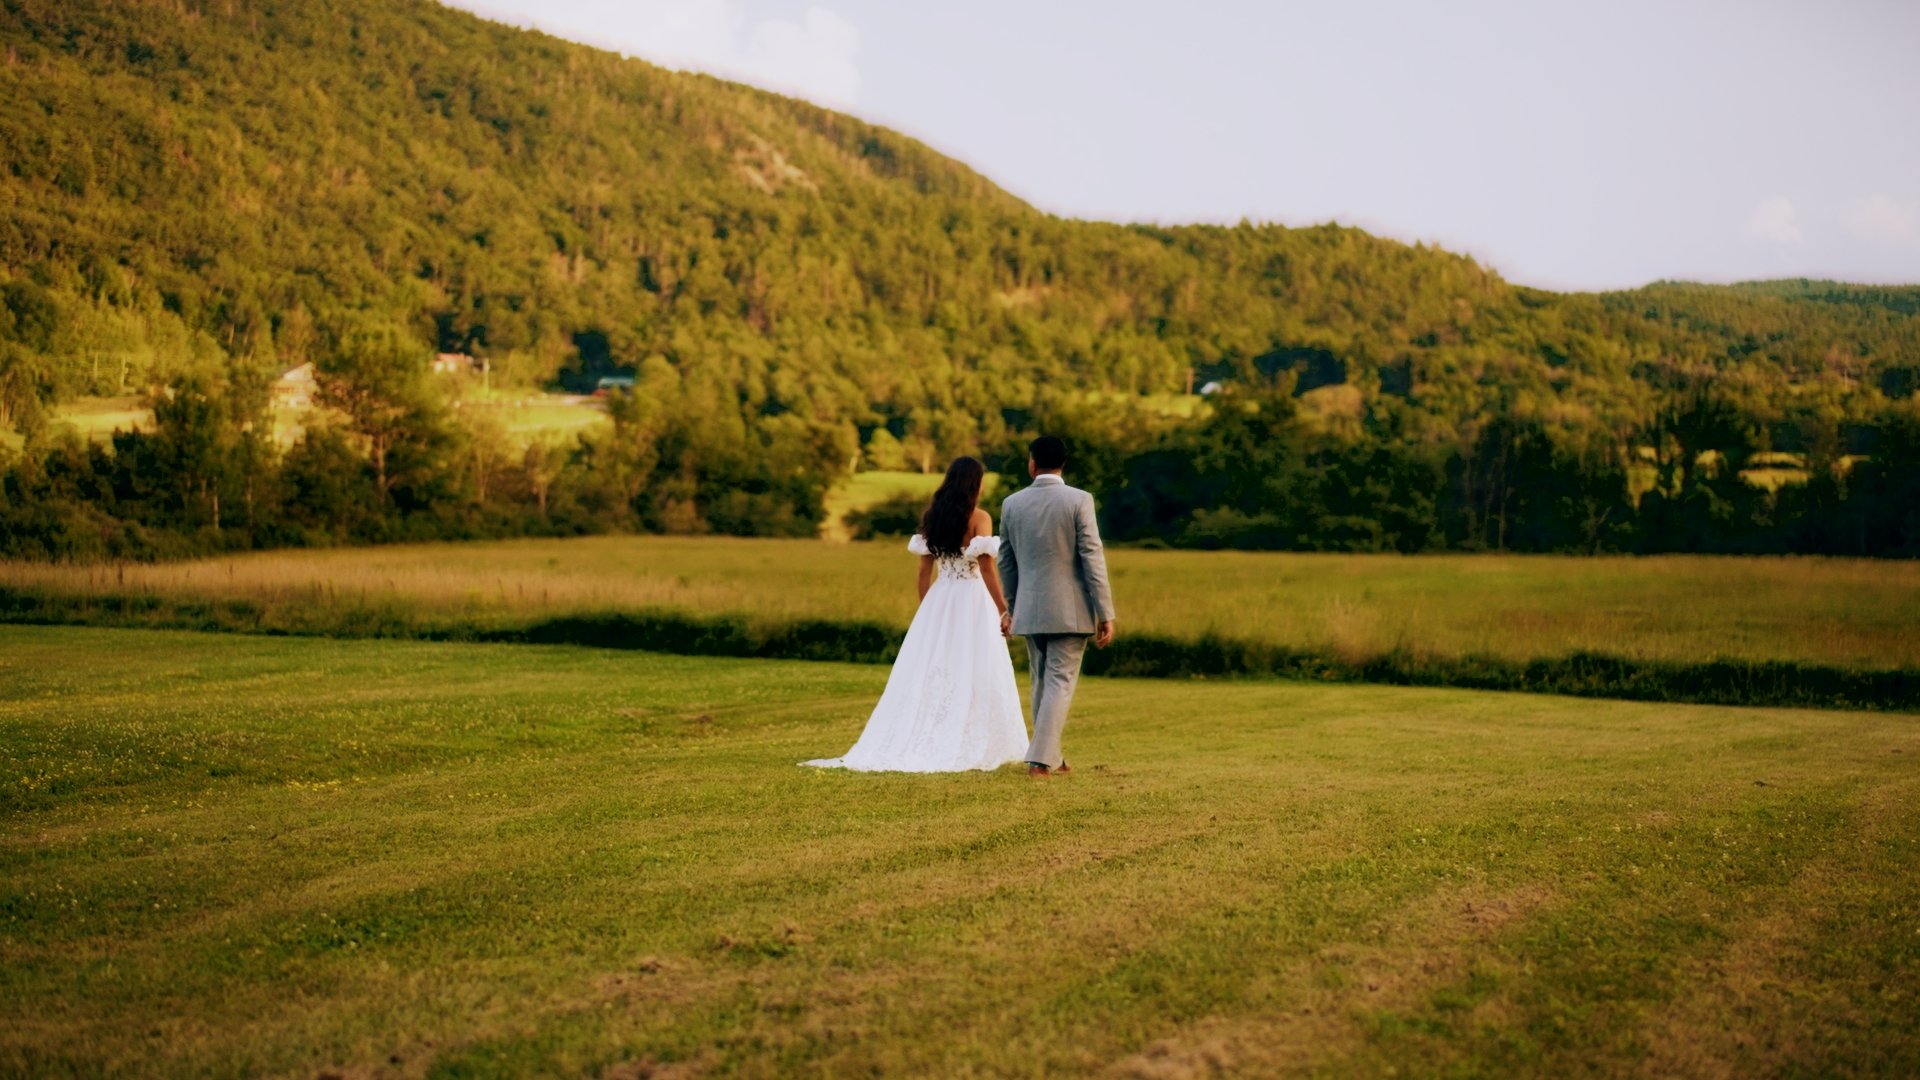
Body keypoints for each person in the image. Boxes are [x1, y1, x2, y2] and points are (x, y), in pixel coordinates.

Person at [803, 456, 1028, 772]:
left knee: (936, 666)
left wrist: (929, 611)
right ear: (974, 485)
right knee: (976, 663)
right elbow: (988, 568)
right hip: (971, 599)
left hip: (941, 596)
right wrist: (1004, 609)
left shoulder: (933, 517)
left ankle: (936, 727)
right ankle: (967, 734)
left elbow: (924, 574)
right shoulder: (980, 518)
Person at [998, 435, 1116, 778]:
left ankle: (1053, 756)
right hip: (1071, 609)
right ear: (1064, 463)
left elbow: (1006, 562)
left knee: (1041, 682)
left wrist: (1012, 605)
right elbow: (1092, 558)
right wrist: (1105, 612)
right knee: (1059, 683)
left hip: (1029, 609)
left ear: (1032, 462)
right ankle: (1040, 762)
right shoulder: (1079, 500)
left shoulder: (1011, 504)